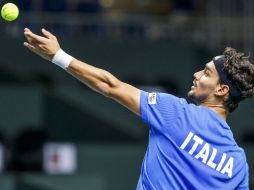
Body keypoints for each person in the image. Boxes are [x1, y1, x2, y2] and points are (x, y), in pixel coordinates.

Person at [23, 28, 253, 189]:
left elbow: (110, 85)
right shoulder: (238, 162)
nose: (196, 75)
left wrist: (58, 56)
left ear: (222, 90)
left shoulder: (175, 113)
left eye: (206, 73)